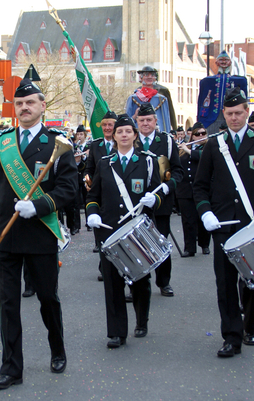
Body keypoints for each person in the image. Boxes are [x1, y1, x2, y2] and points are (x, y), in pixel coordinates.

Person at [0, 79, 77, 389]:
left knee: (47, 298)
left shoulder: (57, 143)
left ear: (42, 105)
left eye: (30, 102)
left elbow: (69, 189)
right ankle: (11, 368)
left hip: (40, 232)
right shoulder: (3, 142)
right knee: (9, 303)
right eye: (19, 103)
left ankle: (57, 349)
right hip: (6, 234)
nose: (24, 108)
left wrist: (40, 205)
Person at [192, 87, 254, 357]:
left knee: (253, 279)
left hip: (252, 221)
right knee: (225, 282)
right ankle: (231, 336)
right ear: (224, 114)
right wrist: (205, 212)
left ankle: (250, 325)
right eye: (230, 114)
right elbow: (200, 186)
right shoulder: (214, 144)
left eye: (239, 113)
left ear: (247, 112)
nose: (234, 118)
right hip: (223, 225)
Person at [86, 114, 162, 348]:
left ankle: (141, 320)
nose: (124, 135)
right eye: (120, 132)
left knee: (139, 280)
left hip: (137, 232)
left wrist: (154, 199)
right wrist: (92, 213)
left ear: (135, 135)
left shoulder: (147, 161)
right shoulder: (104, 163)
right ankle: (117, 332)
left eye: (129, 131)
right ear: (114, 136)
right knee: (112, 283)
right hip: (109, 230)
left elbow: (157, 194)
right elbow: (93, 195)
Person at [135, 102, 183, 297]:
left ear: (156, 121)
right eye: (141, 120)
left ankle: (164, 282)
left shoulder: (167, 141)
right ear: (136, 122)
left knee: (161, 242)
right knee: (137, 244)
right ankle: (138, 284)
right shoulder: (131, 139)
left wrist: (167, 186)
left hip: (161, 200)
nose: (145, 123)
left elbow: (178, 171)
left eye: (149, 120)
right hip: (137, 201)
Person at [85, 110, 118, 255]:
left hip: (117, 191)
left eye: (110, 125)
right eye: (104, 125)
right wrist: (86, 179)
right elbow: (89, 168)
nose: (107, 128)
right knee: (99, 224)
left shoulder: (122, 144)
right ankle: (101, 250)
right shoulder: (95, 145)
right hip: (99, 191)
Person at [176, 122, 211, 256]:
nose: (200, 136)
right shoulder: (183, 149)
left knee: (202, 219)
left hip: (201, 189)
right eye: (198, 134)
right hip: (185, 189)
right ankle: (189, 248)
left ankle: (204, 244)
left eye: (203, 134)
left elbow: (201, 157)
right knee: (188, 220)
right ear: (192, 136)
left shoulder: (208, 148)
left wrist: (187, 150)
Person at [197, 51, 248, 134]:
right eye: (221, 60)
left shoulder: (239, 80)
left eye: (226, 60)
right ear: (216, 62)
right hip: (211, 117)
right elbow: (200, 102)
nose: (223, 62)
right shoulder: (206, 81)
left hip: (230, 114)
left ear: (230, 62)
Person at [125, 66, 174, 132]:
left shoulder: (162, 99)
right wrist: (134, 116)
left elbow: (166, 121)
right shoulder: (133, 98)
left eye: (152, 75)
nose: (150, 77)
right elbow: (126, 121)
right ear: (140, 77)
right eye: (146, 74)